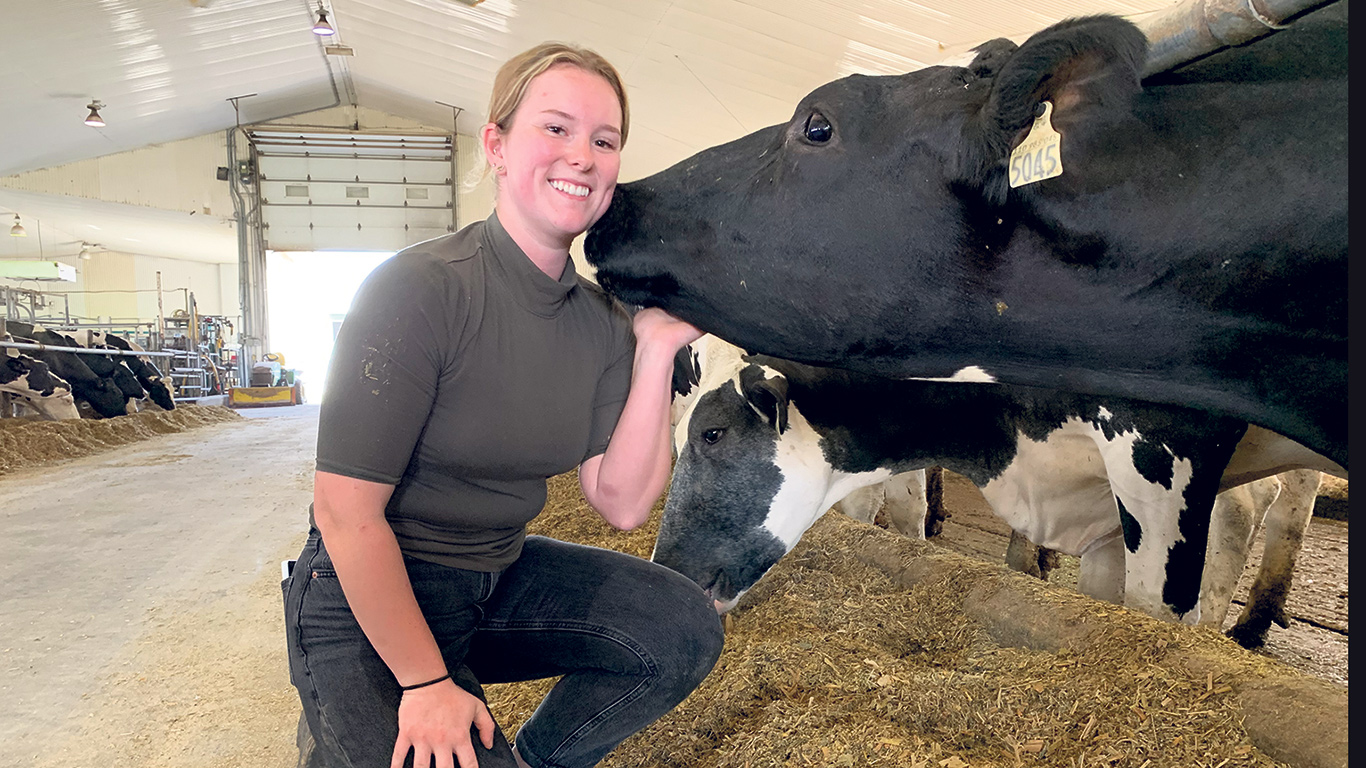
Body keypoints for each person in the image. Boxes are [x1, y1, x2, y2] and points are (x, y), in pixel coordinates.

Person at [282, 42, 725, 768]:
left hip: (494, 583)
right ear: (497, 145)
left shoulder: (604, 322)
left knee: (680, 626)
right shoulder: (424, 288)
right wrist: (425, 683)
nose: (581, 155)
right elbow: (343, 513)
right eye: (555, 129)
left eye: (604, 139)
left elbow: (619, 502)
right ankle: (344, 716)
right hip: (365, 599)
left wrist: (654, 351)